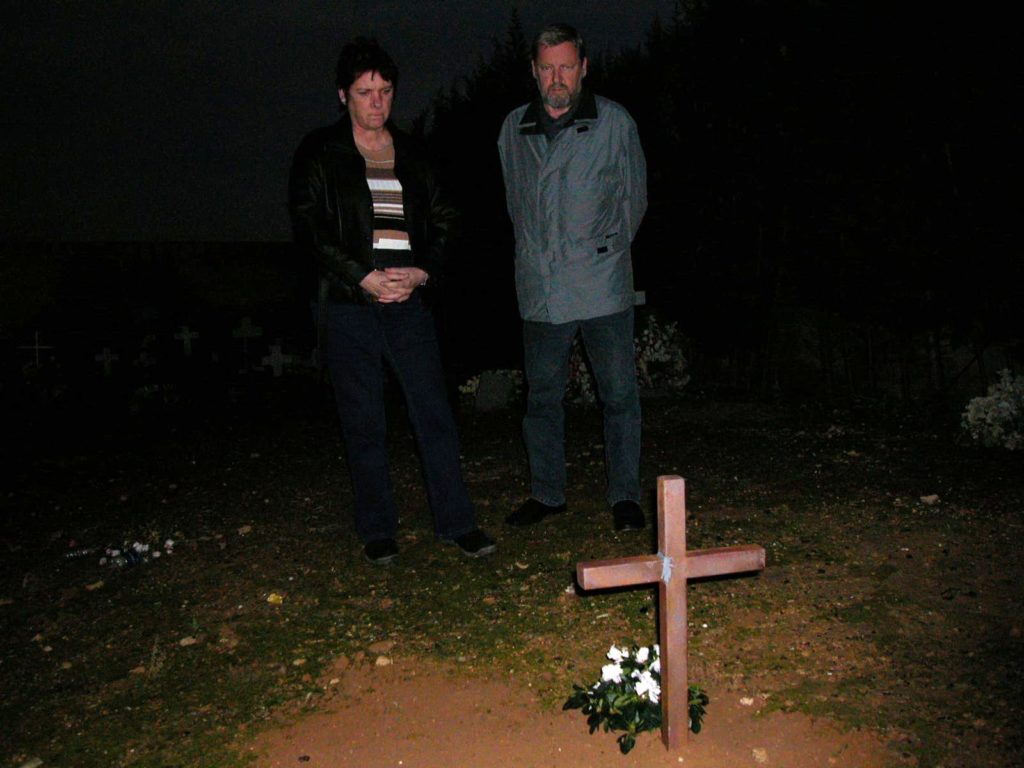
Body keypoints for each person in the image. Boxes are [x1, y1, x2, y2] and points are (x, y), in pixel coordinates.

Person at [290, 37, 495, 564]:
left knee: (434, 413)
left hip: (408, 304)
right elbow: (309, 225)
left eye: (384, 91)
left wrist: (422, 271)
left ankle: (457, 523)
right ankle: (378, 528)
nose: (376, 102)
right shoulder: (320, 152)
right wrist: (361, 276)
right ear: (343, 95)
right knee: (364, 421)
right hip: (349, 305)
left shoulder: (416, 154)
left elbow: (448, 219)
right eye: (364, 92)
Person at [498, 23, 647, 533]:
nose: (556, 77)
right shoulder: (512, 129)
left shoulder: (614, 123)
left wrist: (601, 251)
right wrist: (541, 255)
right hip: (541, 290)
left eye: (566, 66)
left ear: (583, 68)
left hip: (603, 285)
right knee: (541, 400)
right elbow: (516, 203)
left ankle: (625, 495)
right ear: (535, 73)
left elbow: (635, 201)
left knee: (619, 396)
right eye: (547, 68)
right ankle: (547, 493)